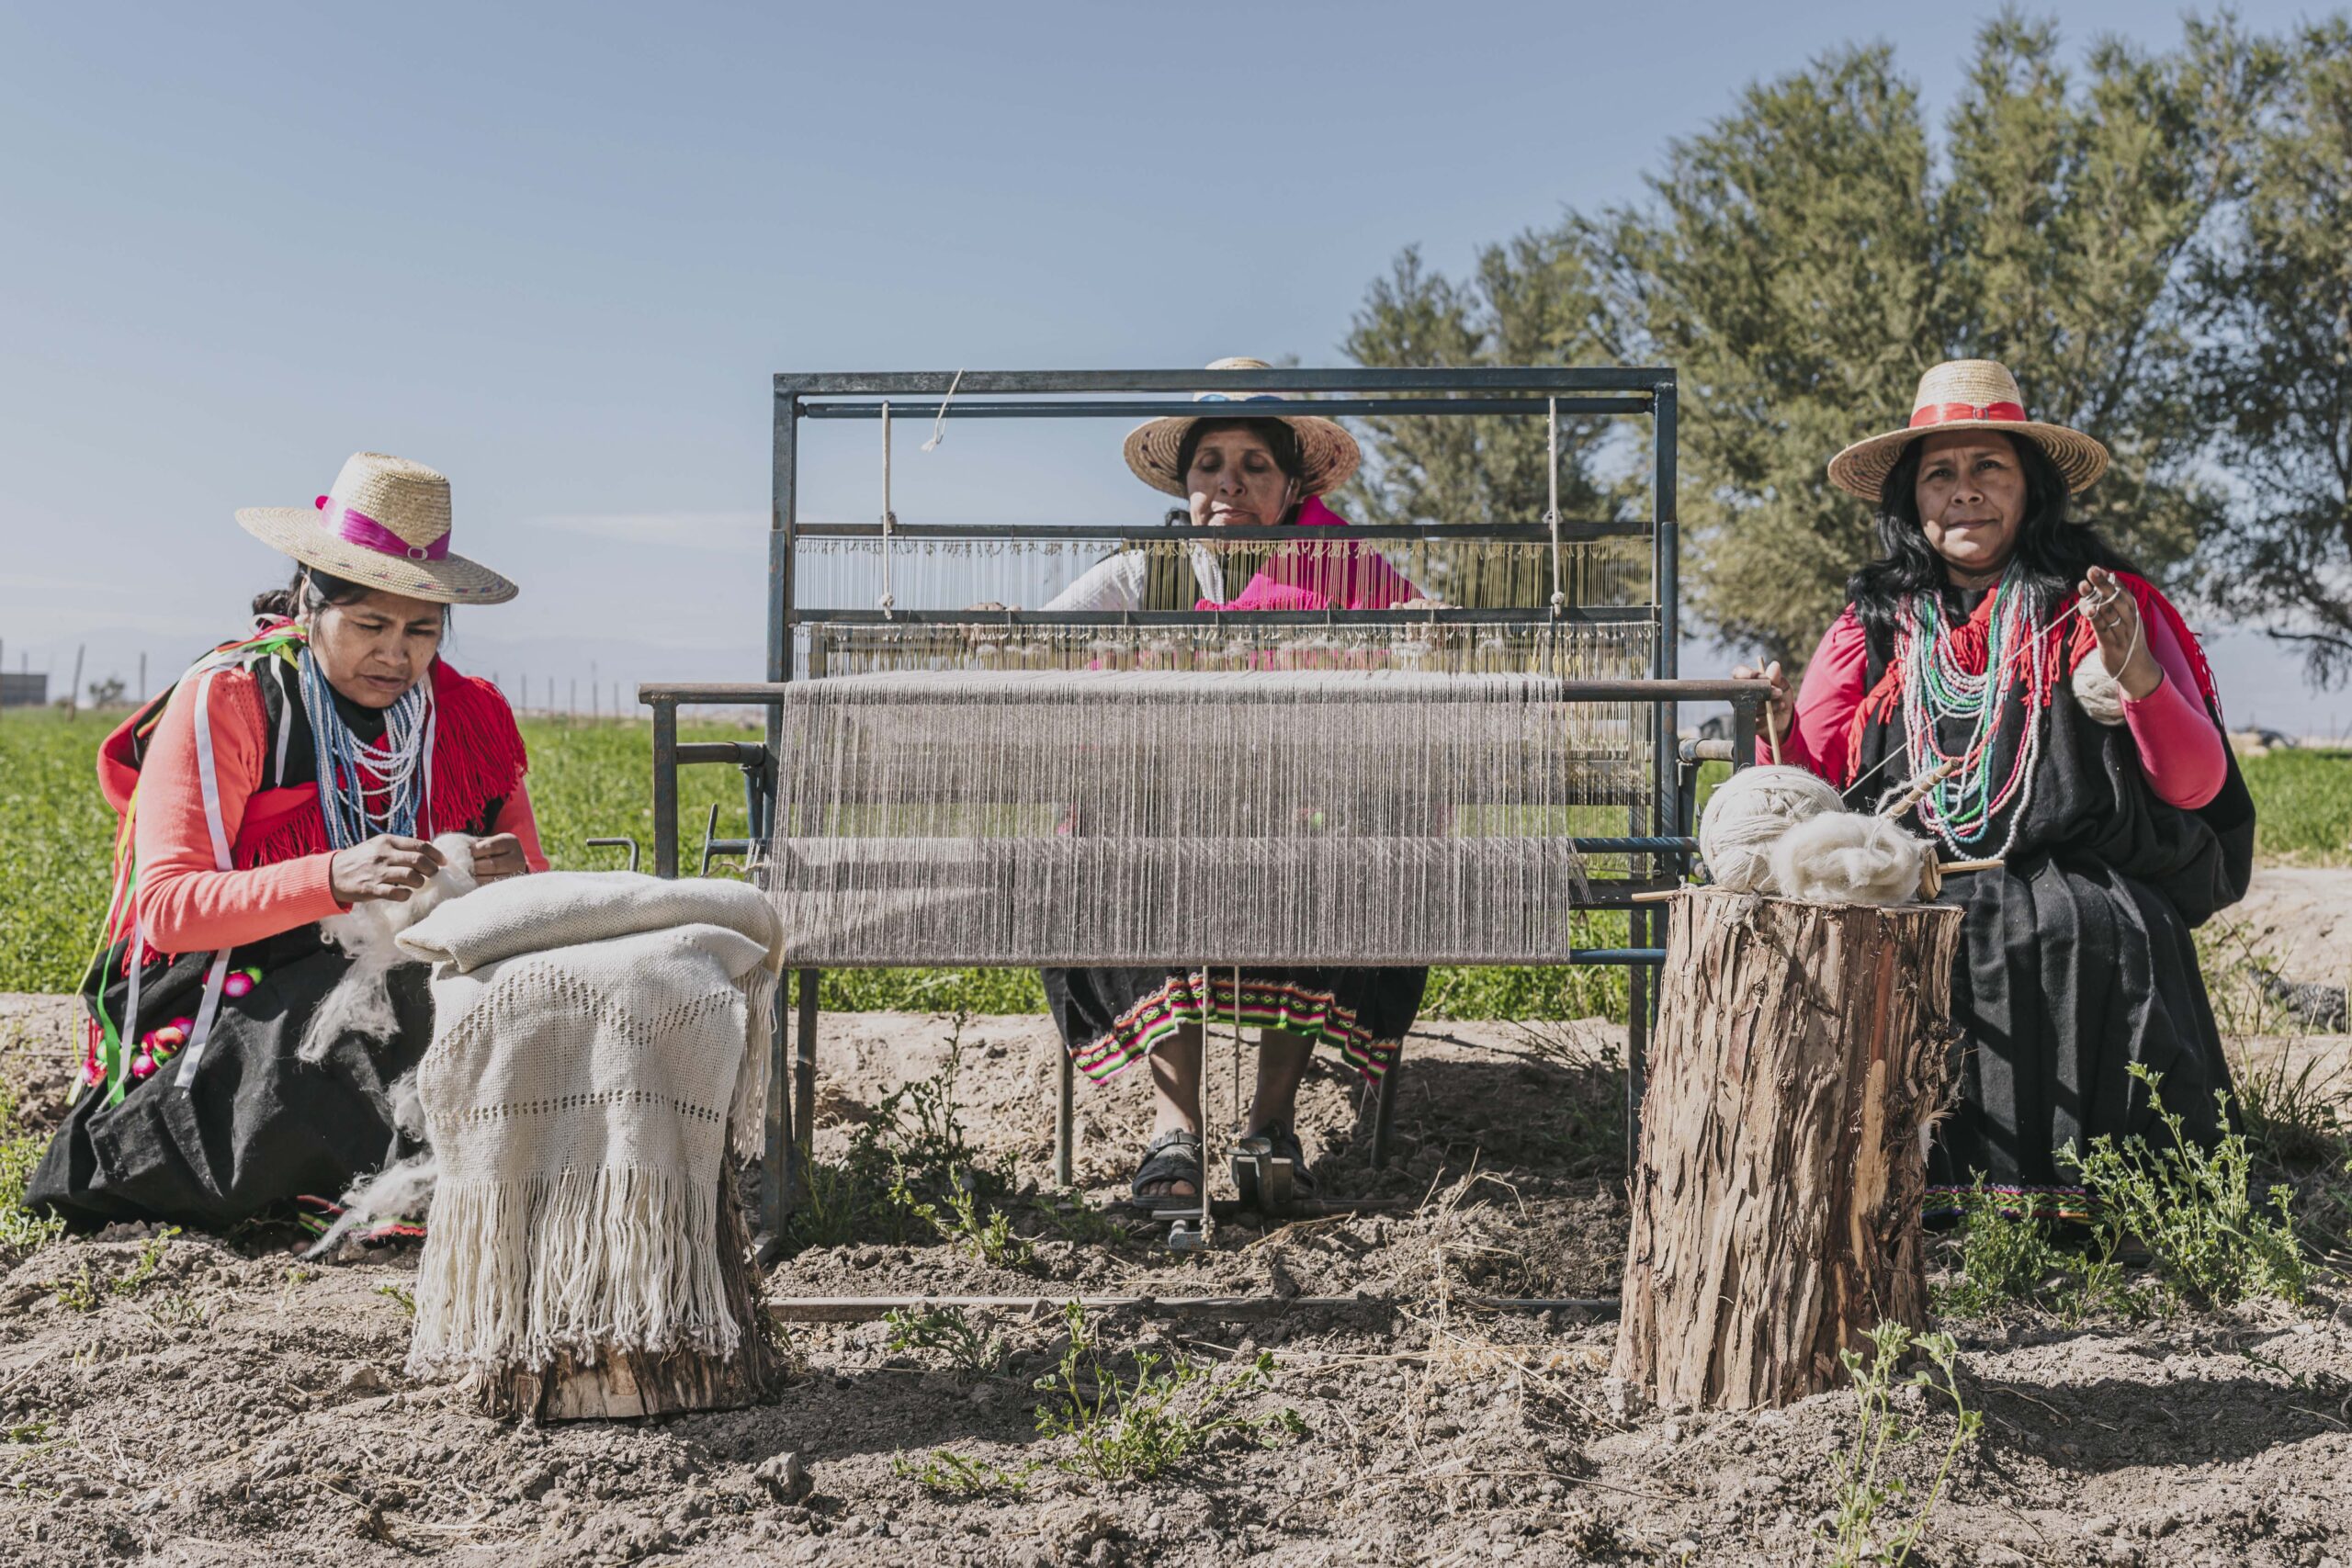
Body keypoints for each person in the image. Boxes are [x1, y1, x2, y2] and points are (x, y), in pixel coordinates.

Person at [1736, 361, 2253, 1214]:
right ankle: (1897, 1196)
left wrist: (2139, 678)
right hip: (1910, 868)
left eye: (1989, 468)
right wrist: (1776, 730)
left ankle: (2122, 1202)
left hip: (2080, 870)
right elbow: (1813, 787)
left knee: (2080, 926)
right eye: (1941, 472)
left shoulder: (2104, 603)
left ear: (2030, 488)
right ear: (1912, 498)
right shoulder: (1872, 621)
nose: (1965, 491)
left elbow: (2197, 787)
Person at [28, 452, 548, 1232]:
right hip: (234, 976)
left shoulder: (469, 715)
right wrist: (337, 875)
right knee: (339, 1027)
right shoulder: (231, 699)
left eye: (422, 631)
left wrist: (510, 878)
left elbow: (533, 873)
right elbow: (168, 907)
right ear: (311, 600)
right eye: (370, 624)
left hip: (412, 960)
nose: (397, 655)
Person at [1039, 359, 1430, 1212]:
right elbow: (1045, 645)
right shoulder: (1143, 577)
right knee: (1114, 852)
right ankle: (1174, 1132)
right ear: (1186, 485)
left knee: (1352, 854)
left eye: (1256, 465)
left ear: (1291, 487)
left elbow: (1428, 644)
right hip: (1168, 829)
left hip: (1294, 827)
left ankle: (1269, 1131)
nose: (1231, 484)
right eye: (1211, 464)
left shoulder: (1349, 578)